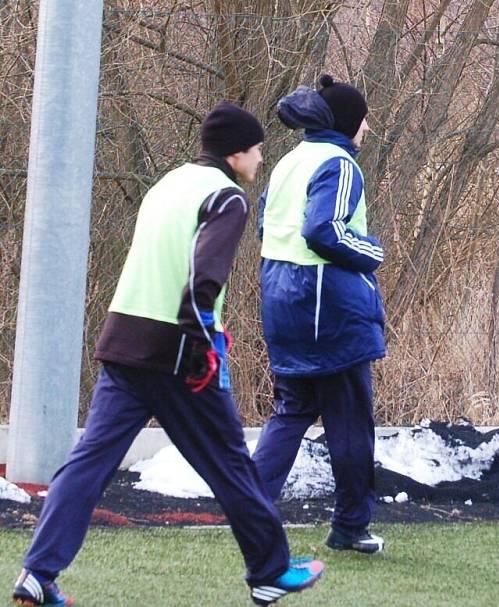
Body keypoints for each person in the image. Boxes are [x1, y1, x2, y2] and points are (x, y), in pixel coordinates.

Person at [11, 101, 324, 607]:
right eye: (259, 150)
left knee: (88, 464)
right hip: (180, 353)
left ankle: (37, 573)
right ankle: (269, 572)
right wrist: (204, 346)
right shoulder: (228, 198)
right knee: (231, 466)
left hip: (123, 343)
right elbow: (204, 279)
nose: (261, 160)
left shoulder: (167, 184)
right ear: (237, 153)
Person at [252, 75, 386, 554]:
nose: (368, 127)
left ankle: (251, 509)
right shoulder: (340, 163)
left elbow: (266, 224)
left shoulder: (288, 162)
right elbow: (323, 230)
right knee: (349, 420)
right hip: (328, 308)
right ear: (349, 124)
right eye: (364, 119)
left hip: (282, 299)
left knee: (291, 409)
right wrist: (371, 253)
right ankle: (350, 526)